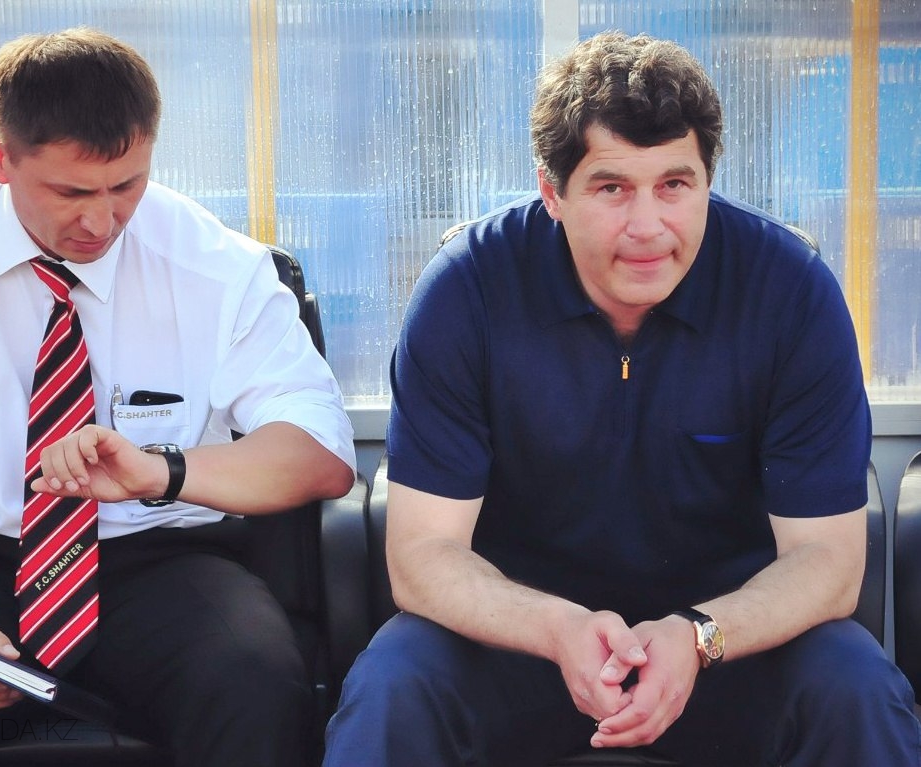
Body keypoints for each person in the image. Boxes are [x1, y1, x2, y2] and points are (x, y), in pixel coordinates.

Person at [323, 31, 920, 767]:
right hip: (520, 640)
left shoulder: (790, 291)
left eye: (675, 185)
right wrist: (556, 628)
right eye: (612, 188)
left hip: (728, 643)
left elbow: (829, 560)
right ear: (553, 193)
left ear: (707, 180)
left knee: (858, 688)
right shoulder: (466, 288)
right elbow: (422, 555)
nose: (648, 226)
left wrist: (698, 636)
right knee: (392, 685)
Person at [0, 27, 356, 767]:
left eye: (126, 186)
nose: (101, 222)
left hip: (162, 561)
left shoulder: (218, 264)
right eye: (70, 192)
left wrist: (162, 470)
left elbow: (322, 457)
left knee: (257, 685)